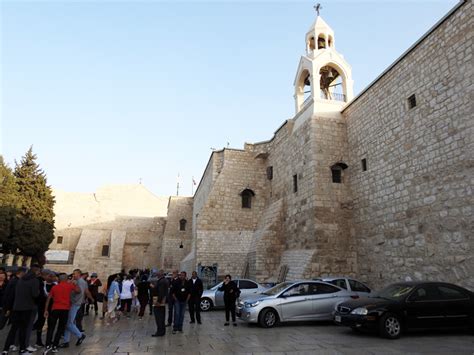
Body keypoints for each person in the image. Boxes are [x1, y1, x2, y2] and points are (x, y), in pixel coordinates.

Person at [3, 265, 40, 354]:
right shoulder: (35, 280)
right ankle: (22, 349)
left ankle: (5, 350)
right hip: (27, 308)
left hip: (17, 307)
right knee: (23, 329)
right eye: (39, 271)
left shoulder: (21, 279)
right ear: (36, 271)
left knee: (13, 329)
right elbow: (35, 294)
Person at [43, 273, 80, 354]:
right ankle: (55, 345)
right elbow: (78, 291)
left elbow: (48, 299)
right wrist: (74, 284)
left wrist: (46, 310)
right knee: (60, 328)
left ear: (59, 279)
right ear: (66, 279)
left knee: (51, 328)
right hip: (65, 310)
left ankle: (48, 345)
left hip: (55, 309)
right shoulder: (69, 286)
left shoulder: (54, 287)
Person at [60, 269, 91, 348]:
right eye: (73, 274)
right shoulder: (82, 282)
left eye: (75, 274)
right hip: (75, 303)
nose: (73, 275)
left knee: (69, 323)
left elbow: (78, 291)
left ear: (79, 274)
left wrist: (72, 285)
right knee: (69, 322)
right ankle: (66, 341)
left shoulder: (79, 282)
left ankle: (80, 335)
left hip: (74, 303)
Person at [33, 269, 56, 348]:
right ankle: (38, 340)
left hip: (52, 307)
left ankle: (49, 340)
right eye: (51, 276)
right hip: (42, 306)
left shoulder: (54, 285)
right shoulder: (41, 284)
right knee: (41, 322)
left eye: (52, 276)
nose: (52, 278)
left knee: (51, 323)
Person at [150, 270, 168, 337]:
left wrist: (158, 301)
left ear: (160, 274)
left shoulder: (162, 281)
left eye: (158, 274)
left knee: (159, 317)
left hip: (159, 302)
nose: (157, 274)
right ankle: (162, 331)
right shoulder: (164, 280)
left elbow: (161, 292)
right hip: (161, 301)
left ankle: (160, 331)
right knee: (161, 317)